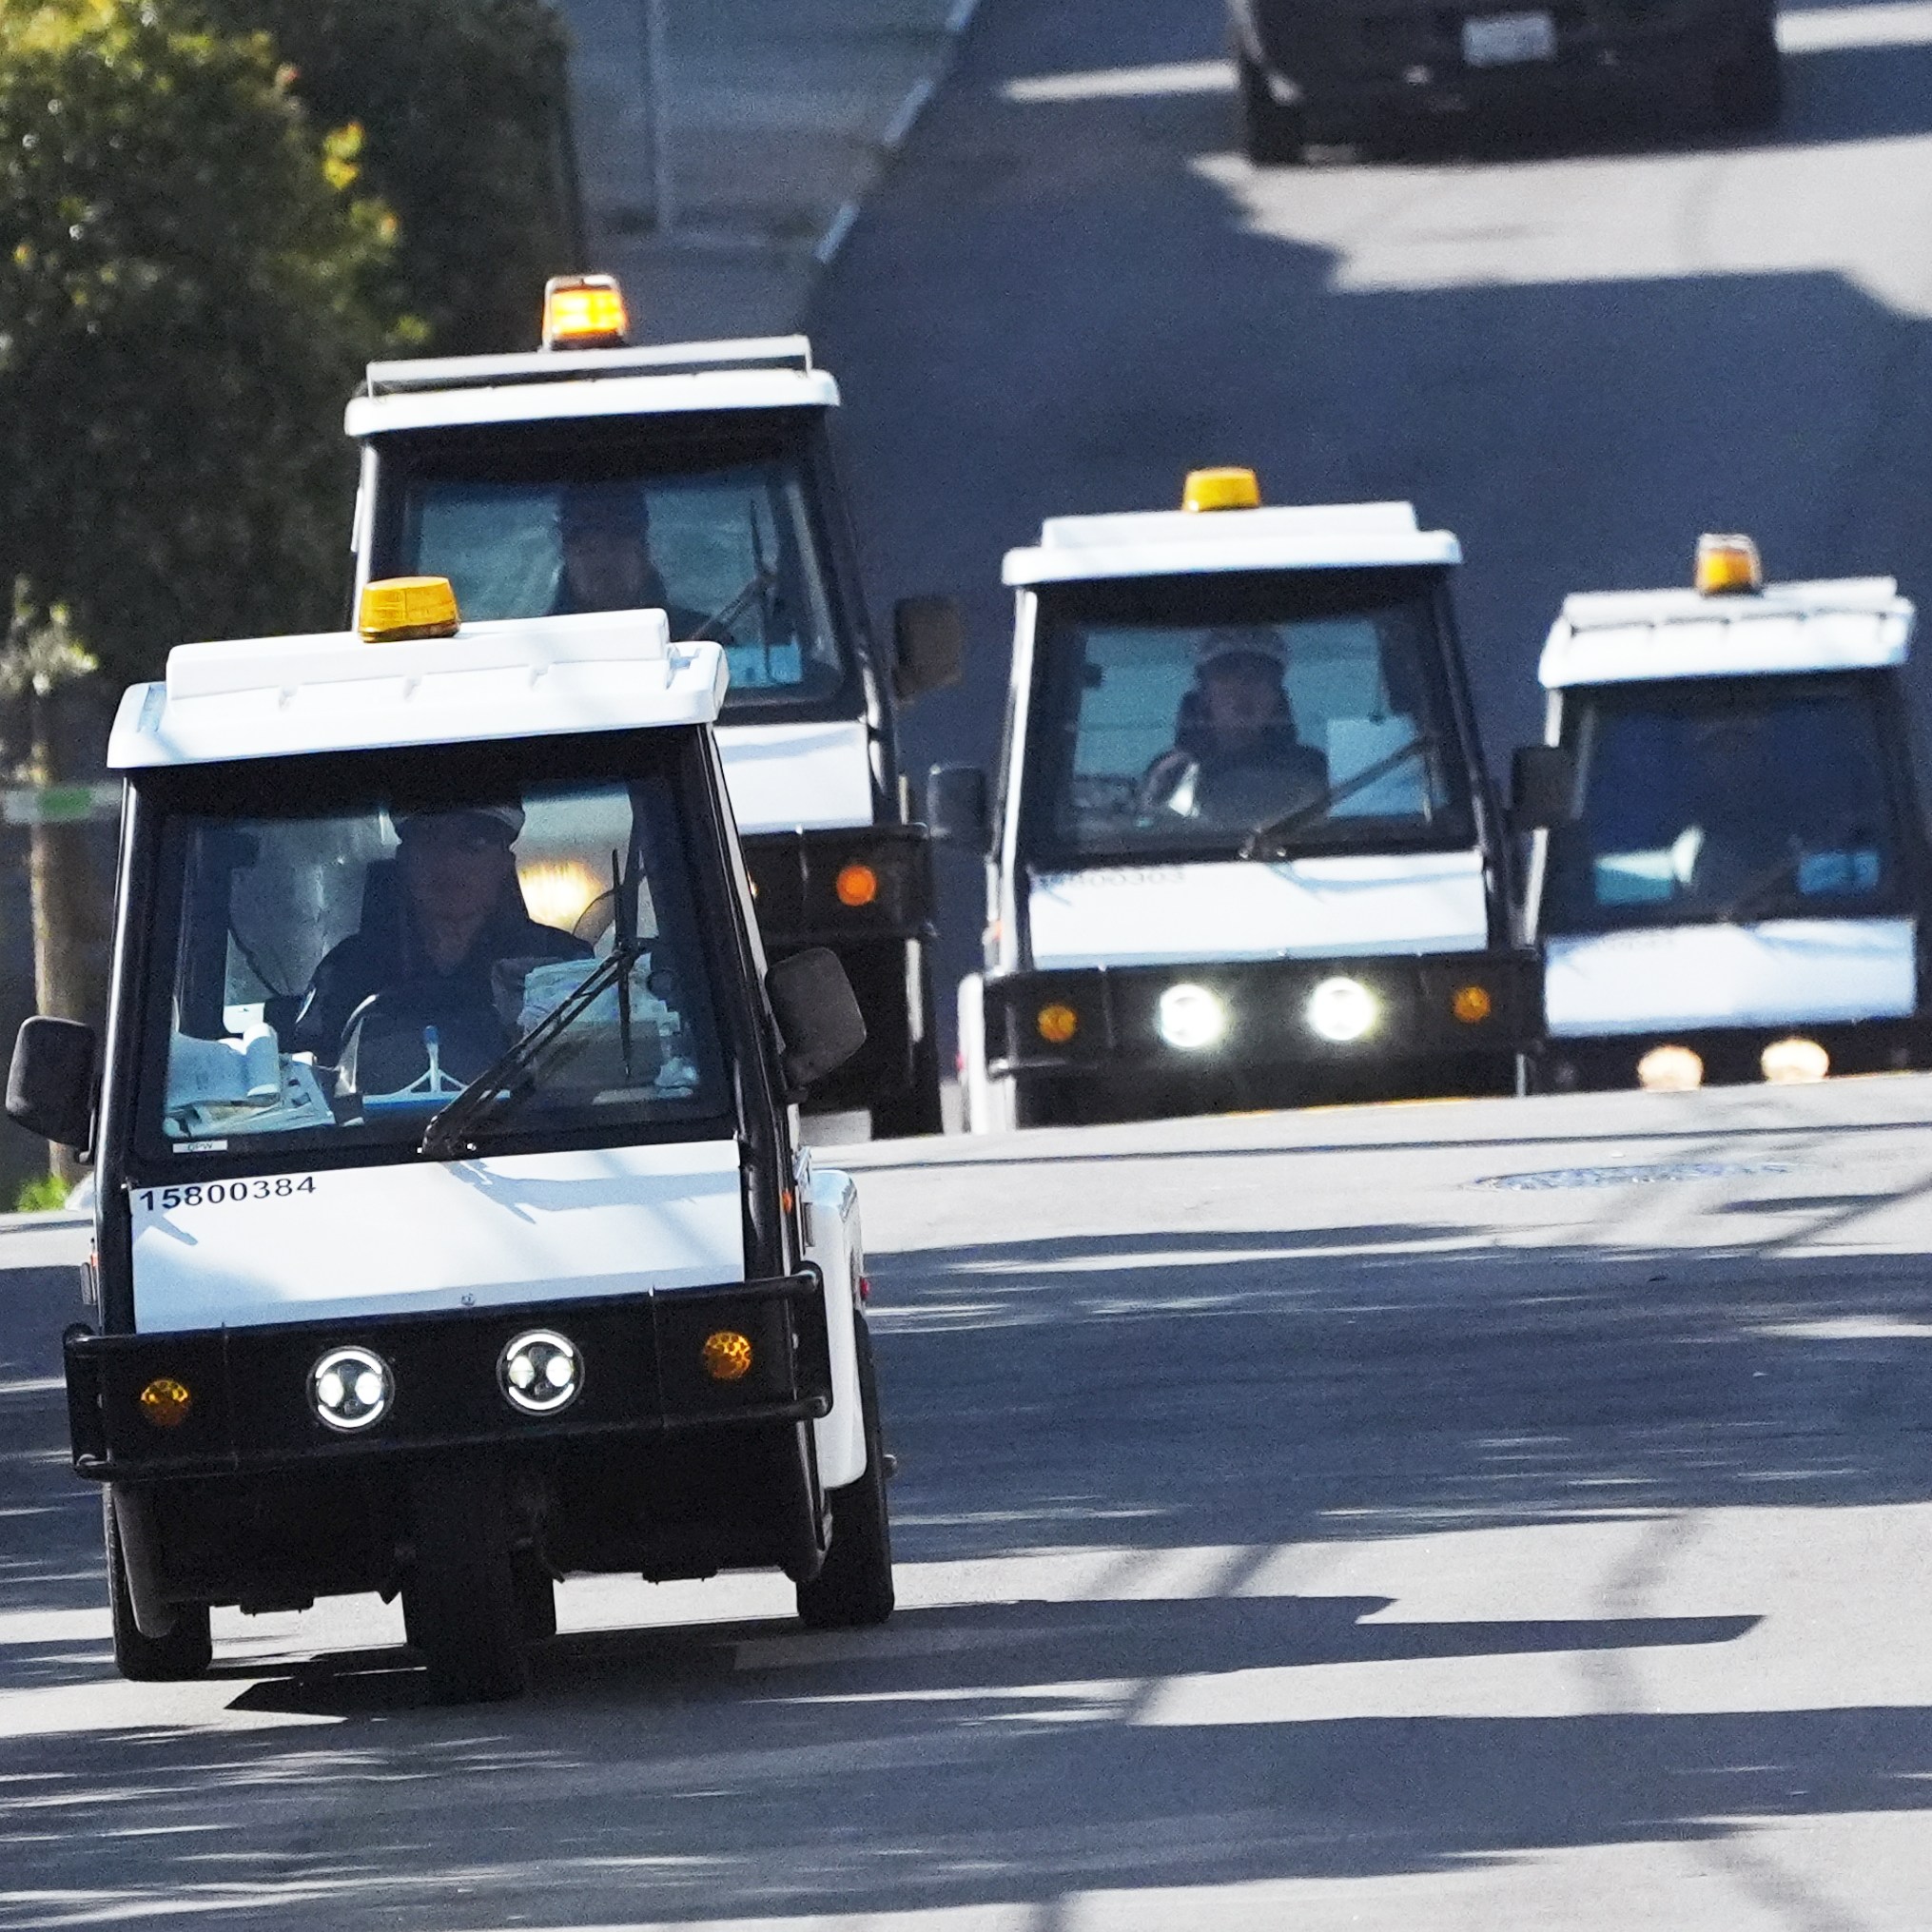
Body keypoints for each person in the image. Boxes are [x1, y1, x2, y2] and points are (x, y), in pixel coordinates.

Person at [289, 804, 591, 1087]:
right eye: (430, 839)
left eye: (475, 843)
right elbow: (306, 1088)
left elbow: (593, 1079)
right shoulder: (346, 971)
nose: (450, 862)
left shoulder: (562, 965)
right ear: (404, 859)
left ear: (504, 863)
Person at [1141, 627, 1330, 829]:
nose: (1243, 688)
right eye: (1226, 674)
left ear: (1276, 697)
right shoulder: (1173, 772)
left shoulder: (1306, 767)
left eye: (1260, 676)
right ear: (1205, 695)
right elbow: (1158, 836)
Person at [553, 480, 717, 638]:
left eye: (615, 546)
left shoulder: (707, 641)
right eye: (588, 550)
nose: (603, 561)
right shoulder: (533, 654)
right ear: (567, 558)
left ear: (643, 553)